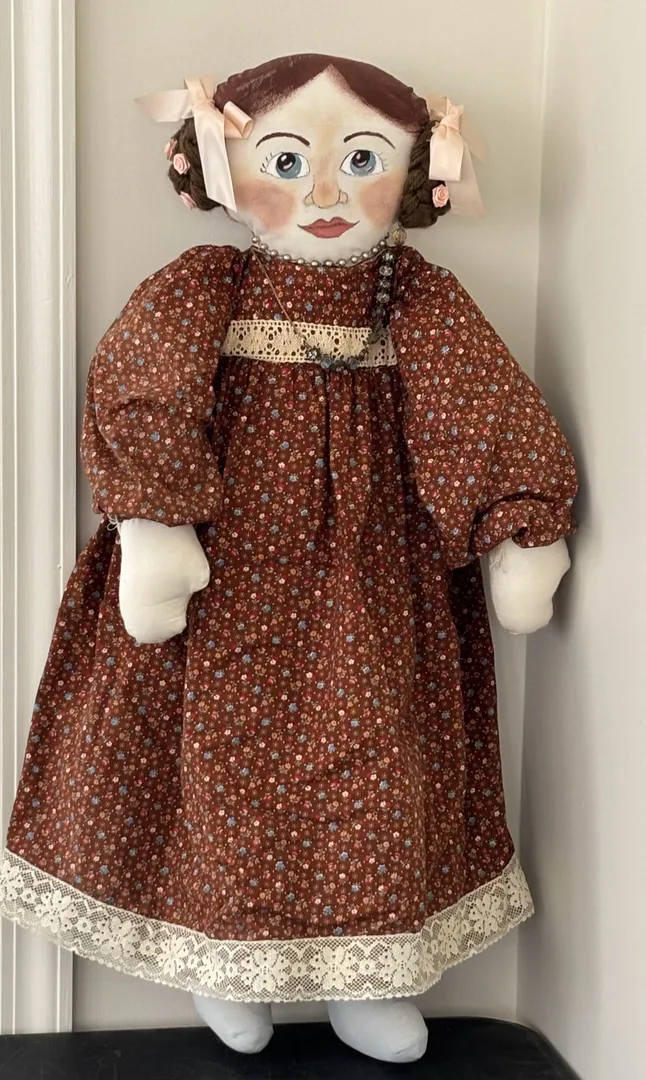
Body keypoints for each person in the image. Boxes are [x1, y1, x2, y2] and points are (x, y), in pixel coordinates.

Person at [0, 53, 576, 1063]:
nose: (325, 195)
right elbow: (142, 384)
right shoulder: (208, 286)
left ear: (415, 172)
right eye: (287, 161)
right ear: (222, 170)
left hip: (373, 580)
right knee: (219, 767)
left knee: (378, 768)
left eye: (361, 161)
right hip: (228, 571)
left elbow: (476, 405)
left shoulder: (412, 296)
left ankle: (369, 977)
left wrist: (519, 525)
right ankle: (224, 965)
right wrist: (154, 525)